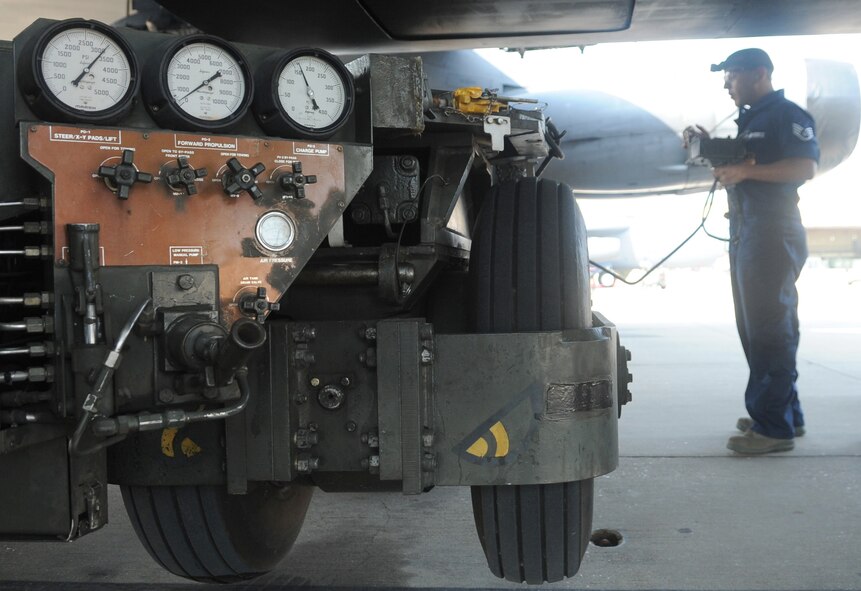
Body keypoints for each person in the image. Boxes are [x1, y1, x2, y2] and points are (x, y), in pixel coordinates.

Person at [684, 48, 819, 454]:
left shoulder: (787, 116)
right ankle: (783, 416)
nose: (727, 84)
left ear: (759, 74)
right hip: (747, 229)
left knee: (769, 329)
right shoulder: (752, 119)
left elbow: (804, 167)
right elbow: (744, 166)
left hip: (772, 230)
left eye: (732, 76)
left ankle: (772, 428)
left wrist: (745, 171)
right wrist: (707, 147)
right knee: (757, 328)